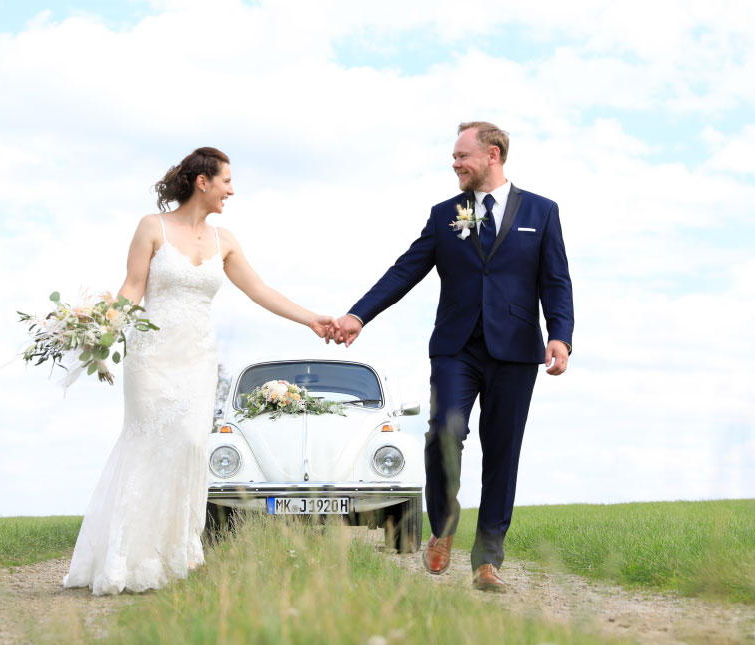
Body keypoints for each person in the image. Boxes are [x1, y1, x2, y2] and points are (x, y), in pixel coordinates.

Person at [63, 147, 337, 595]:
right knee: (149, 442)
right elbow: (132, 287)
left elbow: (259, 290)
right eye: (227, 180)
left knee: (190, 445)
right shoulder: (151, 228)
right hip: (151, 356)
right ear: (202, 182)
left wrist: (312, 319)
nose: (233, 189)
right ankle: (127, 557)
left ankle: (175, 554)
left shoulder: (225, 239)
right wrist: (99, 329)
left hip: (197, 359)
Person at [331, 122, 573, 592]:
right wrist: (359, 315)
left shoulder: (542, 212)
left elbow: (556, 280)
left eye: (463, 155)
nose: (455, 164)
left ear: (493, 155)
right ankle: (442, 529)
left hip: (516, 350)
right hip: (455, 348)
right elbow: (406, 269)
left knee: (502, 452)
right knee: (444, 432)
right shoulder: (446, 215)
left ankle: (487, 562)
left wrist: (560, 335)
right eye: (455, 156)